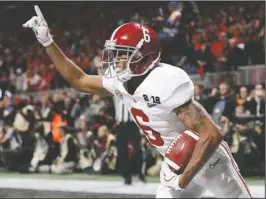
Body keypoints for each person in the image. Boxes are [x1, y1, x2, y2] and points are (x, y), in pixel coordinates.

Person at [22, 6, 251, 198]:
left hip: (210, 161)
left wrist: (183, 180)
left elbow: (211, 134)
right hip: (175, 163)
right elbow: (79, 80)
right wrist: (47, 41)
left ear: (145, 58)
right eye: (116, 53)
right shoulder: (121, 82)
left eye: (123, 54)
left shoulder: (165, 82)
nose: (116, 61)